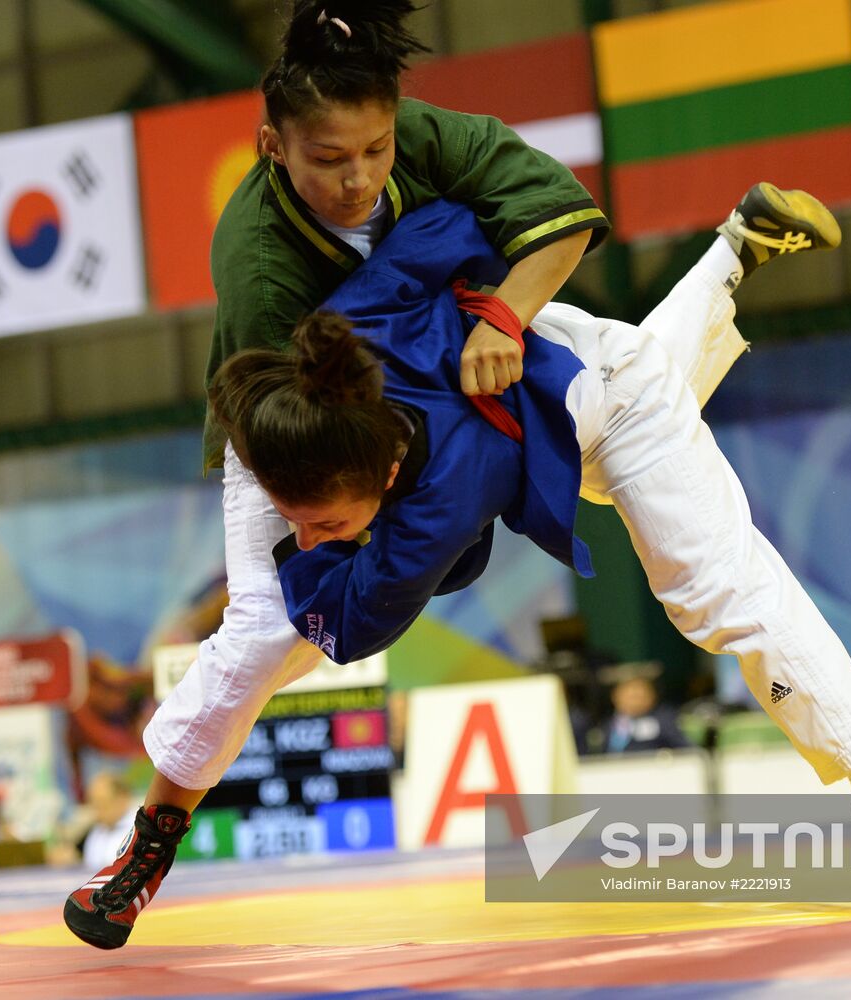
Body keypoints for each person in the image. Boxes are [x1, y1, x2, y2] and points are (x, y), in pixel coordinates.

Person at [208, 186, 851, 917]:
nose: (304, 541)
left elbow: (350, 624)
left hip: (615, 410)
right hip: (581, 357)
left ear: (389, 475)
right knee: (641, 371)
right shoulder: (349, 328)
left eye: (327, 526)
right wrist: (500, 310)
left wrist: (500, 318)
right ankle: (733, 249)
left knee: (716, 589)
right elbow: (449, 224)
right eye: (297, 527)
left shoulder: (444, 497)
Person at [64, 0, 607, 950]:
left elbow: (561, 221)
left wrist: (507, 320)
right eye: (327, 159)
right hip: (285, 426)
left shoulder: (423, 136)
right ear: (273, 145)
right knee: (267, 632)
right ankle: (145, 844)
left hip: (438, 378)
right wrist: (351, 509)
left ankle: (723, 274)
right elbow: (283, 435)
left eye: (375, 150)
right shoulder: (259, 263)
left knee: (617, 431)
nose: (358, 179)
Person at [601, 669, 691, 753]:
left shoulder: (665, 719)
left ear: (652, 696)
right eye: (631, 696)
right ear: (615, 696)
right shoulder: (607, 724)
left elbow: (686, 748)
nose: (635, 701)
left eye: (639, 695)